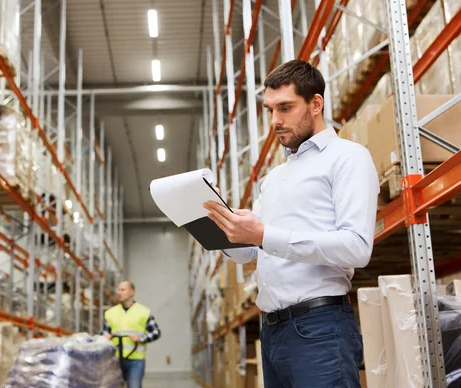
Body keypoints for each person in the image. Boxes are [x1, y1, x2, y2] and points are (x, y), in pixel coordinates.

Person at [204, 59, 379, 388]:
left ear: (316, 103)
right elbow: (251, 252)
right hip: (272, 333)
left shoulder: (348, 157)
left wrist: (264, 234)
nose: (275, 121)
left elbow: (357, 247)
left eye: (285, 108)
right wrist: (218, 228)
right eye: (270, 110)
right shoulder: (274, 178)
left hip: (319, 329)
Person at [102, 281, 161, 388]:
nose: (119, 292)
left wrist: (141, 338)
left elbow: (156, 332)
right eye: (118, 290)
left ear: (131, 292)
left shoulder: (143, 312)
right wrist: (106, 336)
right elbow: (104, 332)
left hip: (136, 360)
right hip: (115, 359)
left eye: (122, 290)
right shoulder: (110, 313)